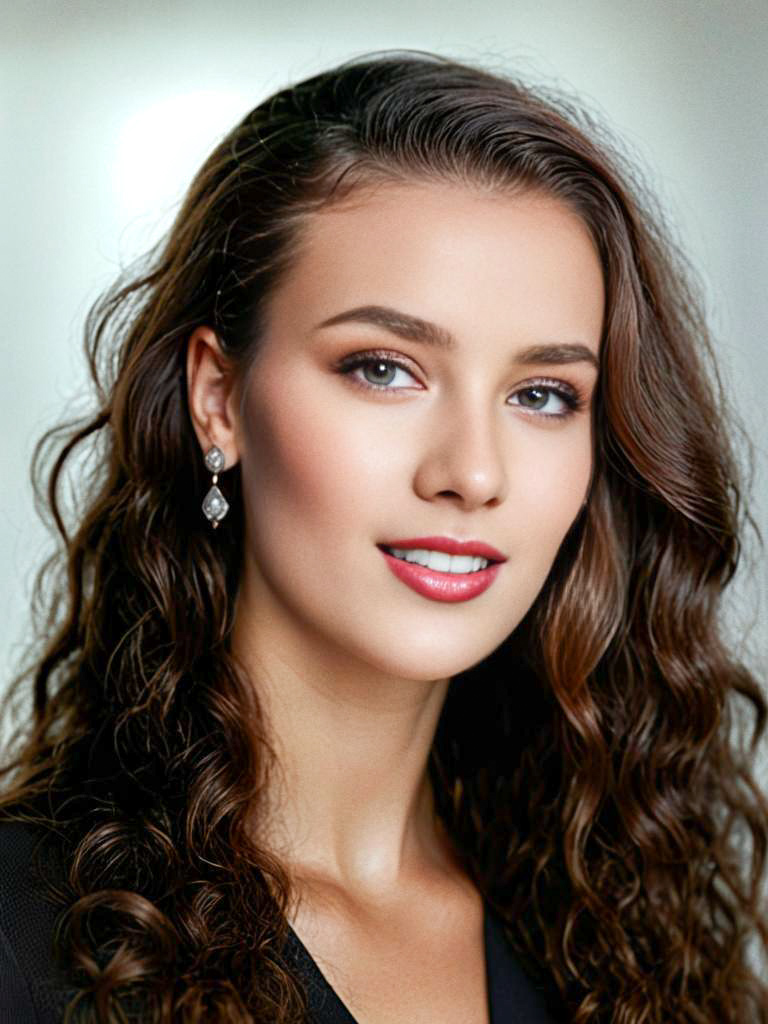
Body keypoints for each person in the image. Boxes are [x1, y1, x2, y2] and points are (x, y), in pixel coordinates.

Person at [0, 49, 766, 1024]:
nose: (473, 472)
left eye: (542, 394)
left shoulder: (626, 934)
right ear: (218, 398)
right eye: (384, 369)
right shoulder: (24, 938)